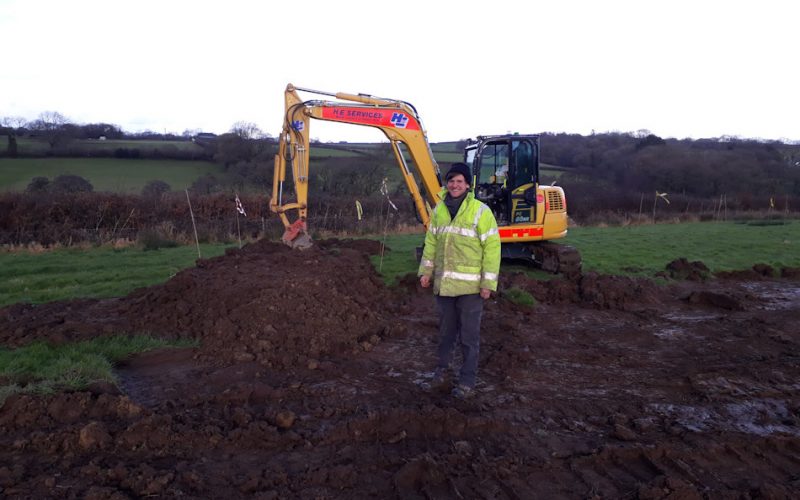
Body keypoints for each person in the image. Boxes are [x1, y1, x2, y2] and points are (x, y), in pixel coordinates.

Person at [418, 162, 501, 399]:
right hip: (444, 286)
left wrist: (488, 283)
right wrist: (426, 271)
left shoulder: (480, 211)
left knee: (469, 337)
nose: (455, 185)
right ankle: (441, 373)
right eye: (451, 180)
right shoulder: (439, 210)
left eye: (459, 181)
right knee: (445, 334)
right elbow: (431, 243)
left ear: (467, 185)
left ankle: (467, 382)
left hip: (471, 288)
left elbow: (492, 248)